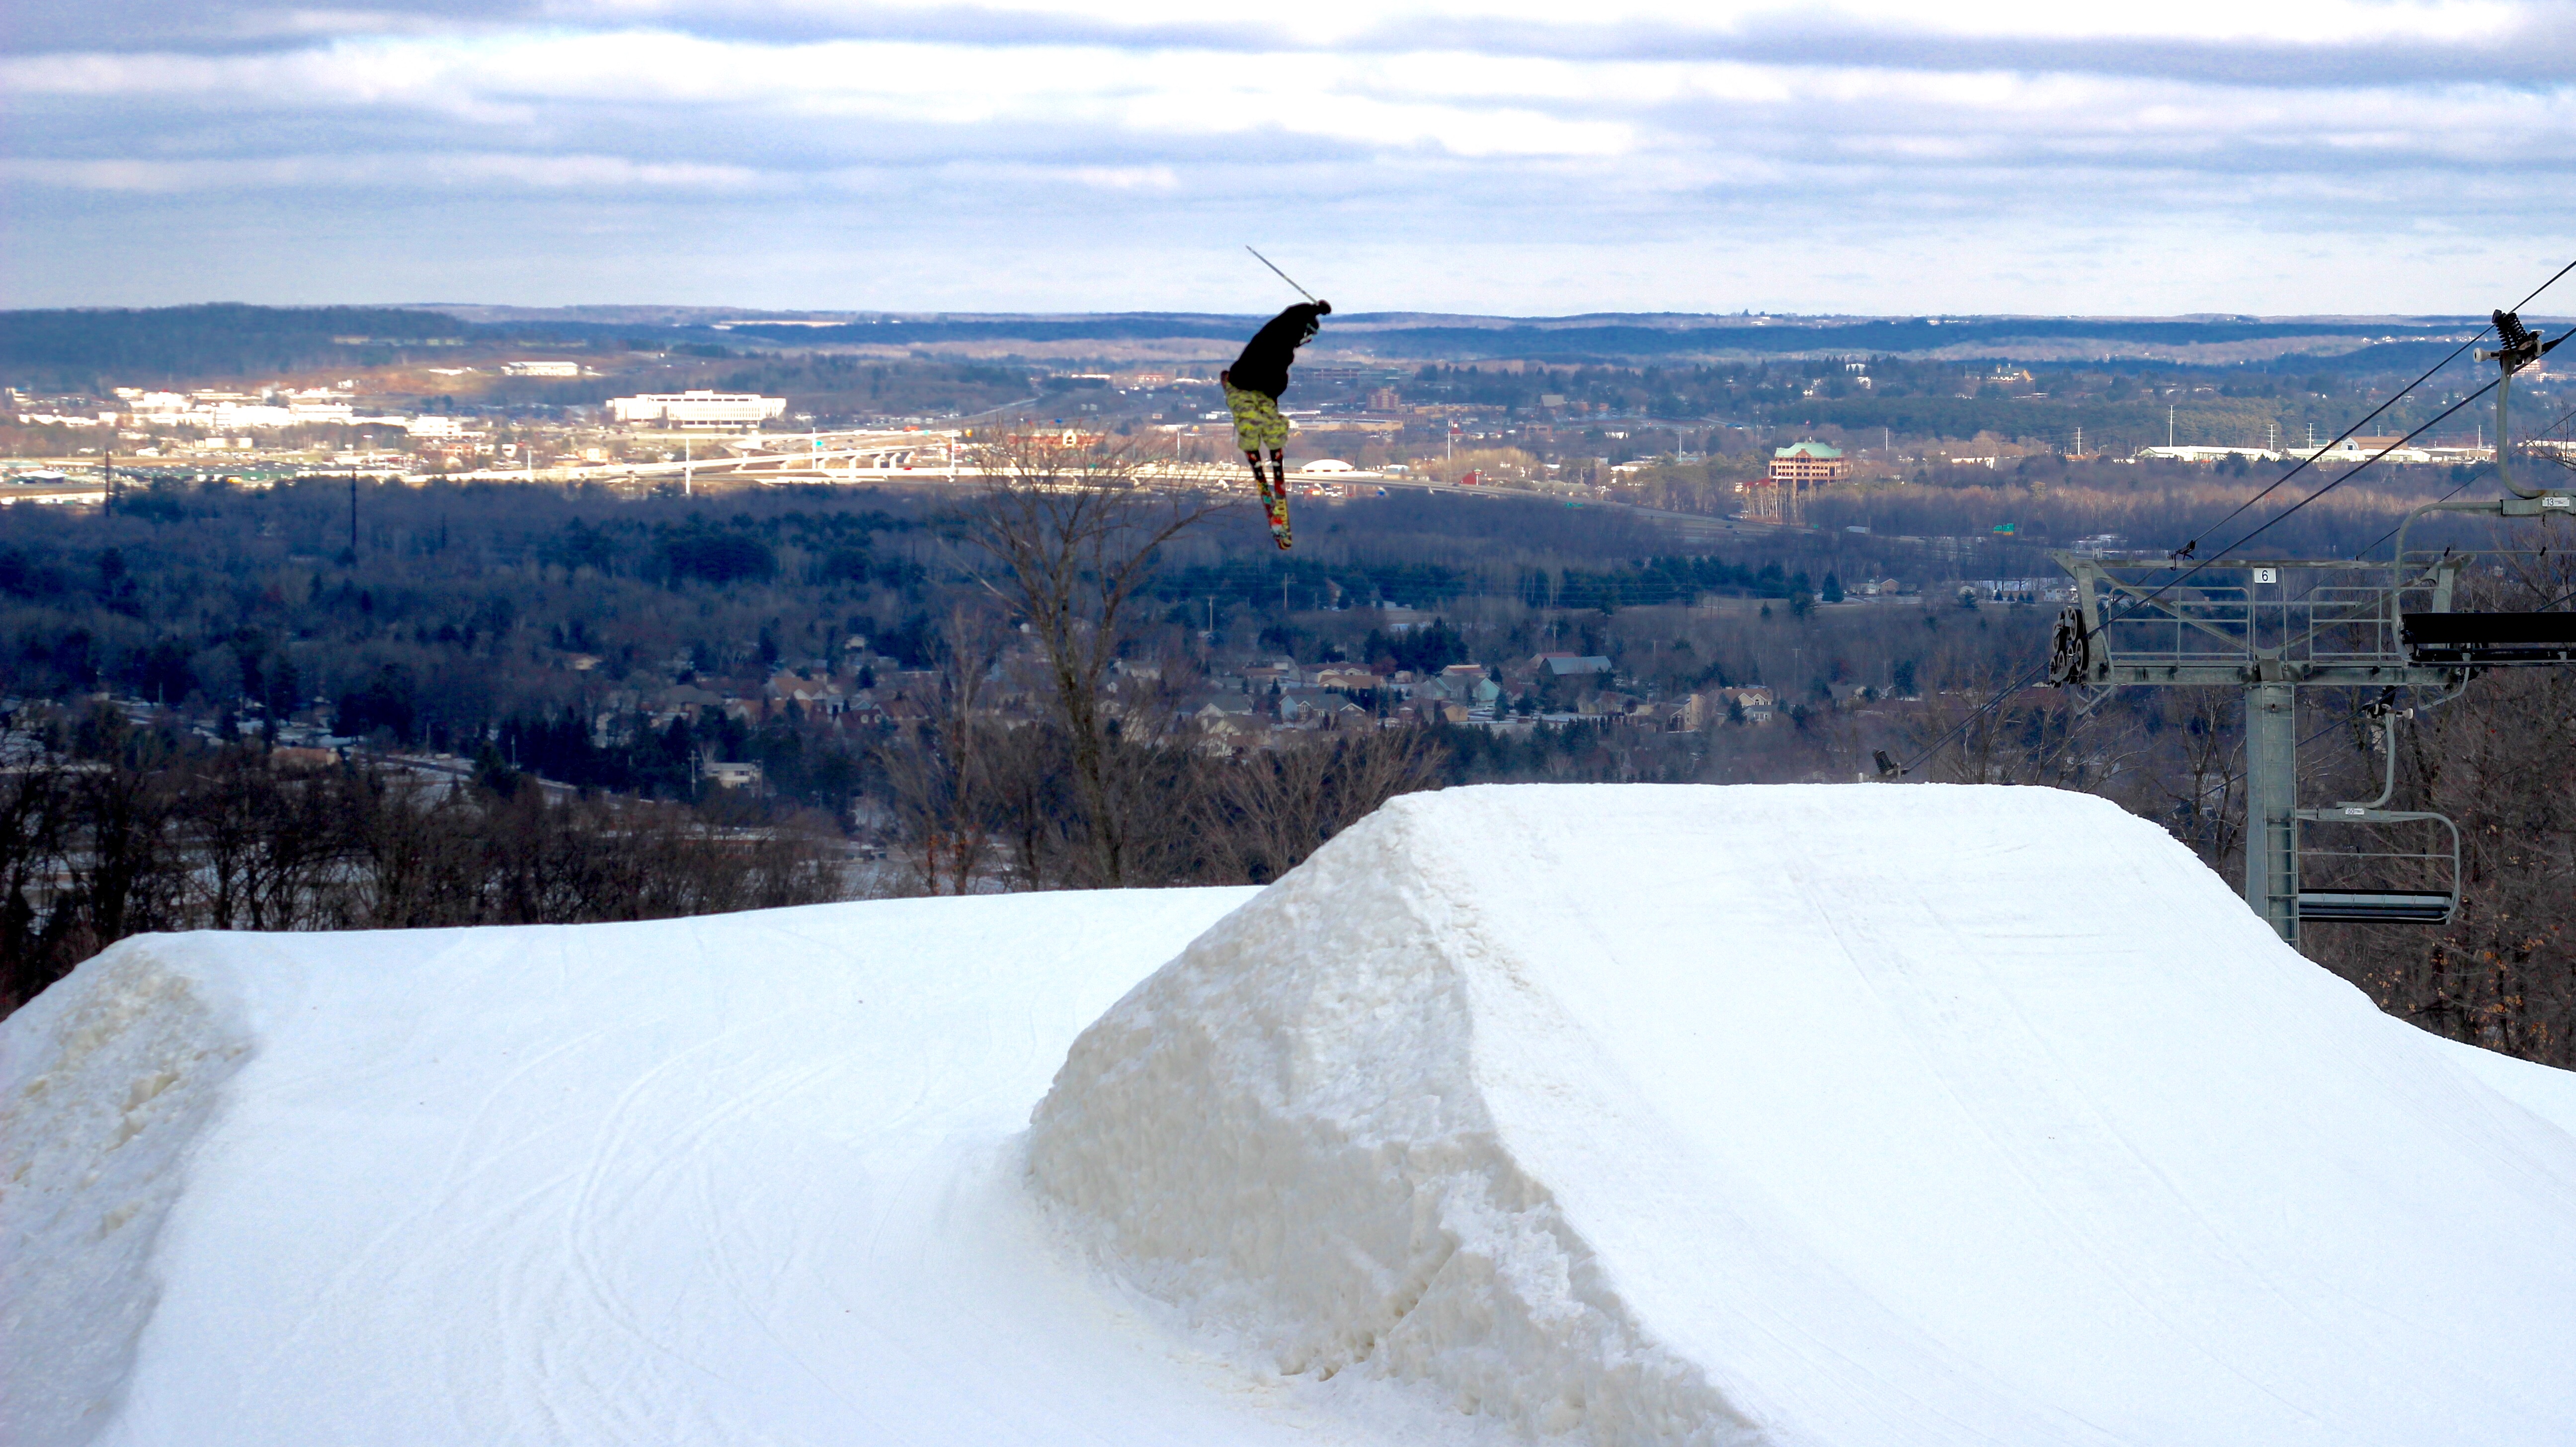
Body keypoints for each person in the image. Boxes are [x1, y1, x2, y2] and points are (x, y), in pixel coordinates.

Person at [1220, 299, 1329, 549]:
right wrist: (1312, 310)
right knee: (1249, 420)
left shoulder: (1285, 346)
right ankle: (1254, 444)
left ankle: (1270, 441)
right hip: (1246, 385)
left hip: (1263, 390)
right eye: (1309, 335)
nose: (1306, 340)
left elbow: (1287, 329)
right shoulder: (1278, 338)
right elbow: (1285, 321)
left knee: (1272, 422)